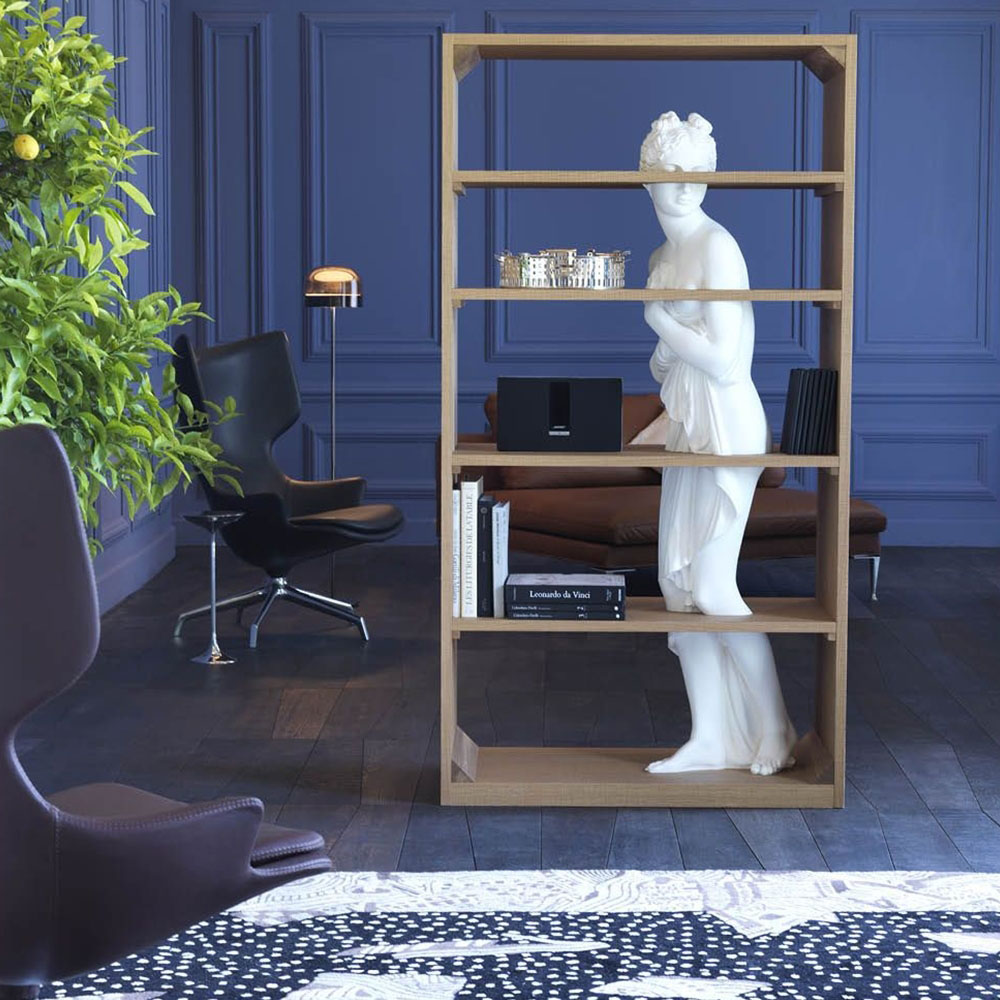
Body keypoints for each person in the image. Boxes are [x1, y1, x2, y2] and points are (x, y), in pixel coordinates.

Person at [639, 111, 797, 776]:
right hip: (688, 423)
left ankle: (776, 728)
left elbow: (727, 362)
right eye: (671, 173)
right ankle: (709, 737)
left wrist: (656, 317)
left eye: (697, 174)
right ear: (647, 178)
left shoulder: (716, 246)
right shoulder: (661, 258)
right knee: (678, 589)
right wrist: (665, 338)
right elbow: (667, 364)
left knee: (712, 584)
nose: (684, 186)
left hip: (727, 424)